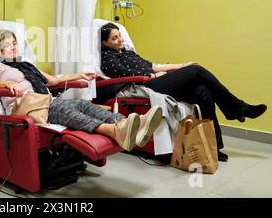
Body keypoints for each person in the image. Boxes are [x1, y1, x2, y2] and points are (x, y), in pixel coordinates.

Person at [99, 22, 268, 162]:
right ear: (105, 43)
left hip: (156, 78)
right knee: (197, 71)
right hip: (147, 85)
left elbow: (155, 65)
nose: (120, 39)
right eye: (114, 38)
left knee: (203, 92)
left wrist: (182, 65)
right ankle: (237, 108)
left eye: (119, 35)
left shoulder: (128, 52)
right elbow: (123, 74)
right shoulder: (108, 59)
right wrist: (152, 75)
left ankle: (213, 147)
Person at [0, 29, 163, 152]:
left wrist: (79, 75)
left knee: (83, 104)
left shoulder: (26, 65)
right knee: (66, 110)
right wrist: (6, 84)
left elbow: (54, 80)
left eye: (15, 43)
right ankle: (114, 131)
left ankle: (133, 124)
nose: (15, 47)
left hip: (47, 102)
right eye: (9, 45)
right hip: (27, 108)